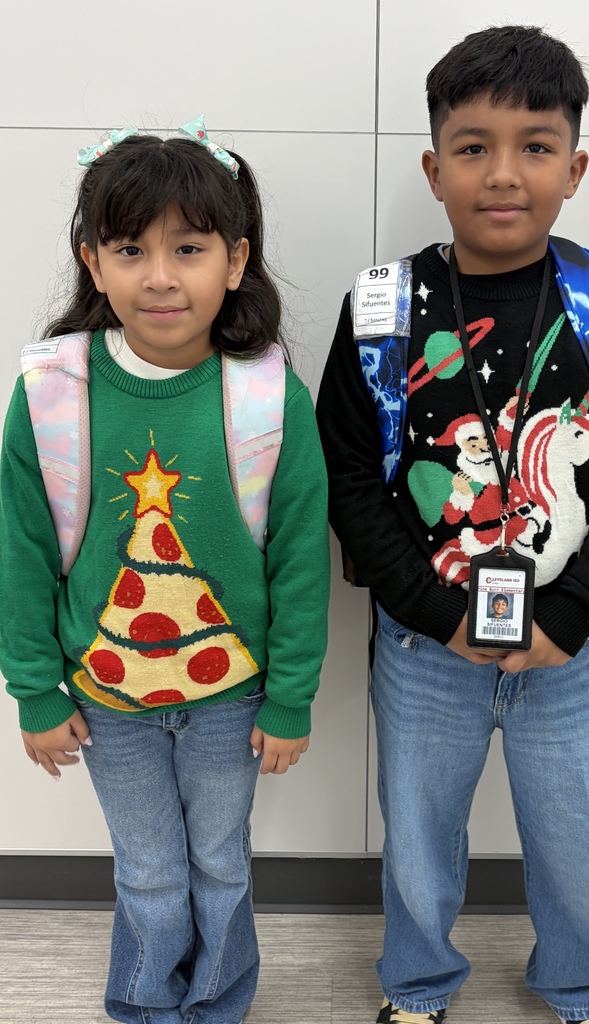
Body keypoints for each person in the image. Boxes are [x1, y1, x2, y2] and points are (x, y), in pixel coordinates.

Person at [317, 25, 589, 1024]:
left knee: (573, 832)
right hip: (424, 640)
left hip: (572, 641)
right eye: (472, 147)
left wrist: (571, 615)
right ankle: (419, 985)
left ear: (576, 165)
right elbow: (348, 475)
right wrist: (435, 614)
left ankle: (582, 984)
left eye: (535, 145)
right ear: (434, 169)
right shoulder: (386, 307)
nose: (504, 172)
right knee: (421, 832)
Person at [0, 121, 330, 1024]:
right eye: (129, 248)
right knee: (148, 870)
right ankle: (148, 1007)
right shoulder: (50, 394)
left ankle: (218, 1004)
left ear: (235, 260)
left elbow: (302, 555)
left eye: (188, 247)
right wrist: (34, 690)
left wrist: (292, 696)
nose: (159, 275)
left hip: (232, 696)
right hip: (105, 696)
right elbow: (18, 552)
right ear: (92, 262)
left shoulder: (268, 393)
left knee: (220, 862)